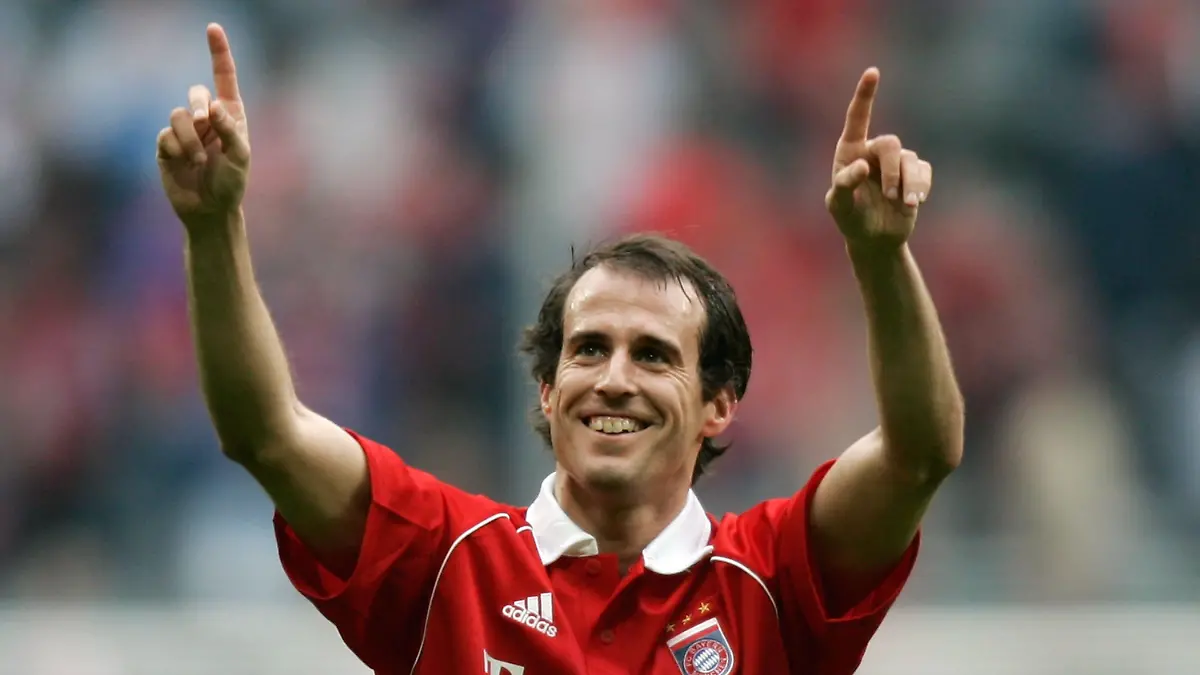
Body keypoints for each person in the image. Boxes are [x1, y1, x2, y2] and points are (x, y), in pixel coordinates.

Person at [157, 23, 962, 675]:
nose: (613, 379)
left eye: (653, 355)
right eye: (587, 350)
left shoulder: (774, 578)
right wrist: (213, 224)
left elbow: (920, 454)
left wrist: (880, 255)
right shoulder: (445, 559)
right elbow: (264, 431)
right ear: (546, 390)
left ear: (719, 403)